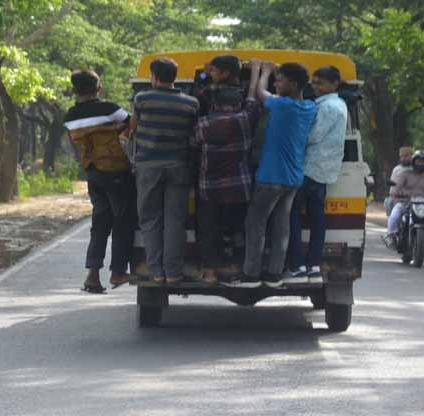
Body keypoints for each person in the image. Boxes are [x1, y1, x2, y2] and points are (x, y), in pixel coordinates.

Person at [225, 60, 317, 288]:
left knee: (255, 224)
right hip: (293, 178)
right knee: (281, 226)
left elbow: (259, 93)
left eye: (281, 80)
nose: (277, 83)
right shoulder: (309, 108)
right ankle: (274, 275)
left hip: (271, 177)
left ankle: (251, 275)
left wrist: (261, 71)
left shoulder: (283, 105)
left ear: (294, 85)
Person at [63, 69, 137, 293]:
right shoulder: (109, 109)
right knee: (123, 221)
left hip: (93, 173)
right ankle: (117, 271)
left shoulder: (70, 116)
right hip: (116, 170)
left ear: (74, 91)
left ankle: (93, 275)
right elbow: (131, 126)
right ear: (99, 89)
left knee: (100, 223)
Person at [130, 58, 200, 285]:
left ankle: (156, 272)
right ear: (175, 76)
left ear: (154, 76)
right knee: (175, 221)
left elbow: (133, 129)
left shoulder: (142, 99)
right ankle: (173, 272)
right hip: (178, 166)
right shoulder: (191, 104)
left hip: (148, 167)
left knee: (150, 219)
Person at [192, 62, 262, 284]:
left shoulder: (203, 123)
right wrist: (257, 73)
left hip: (209, 188)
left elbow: (193, 143)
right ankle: (236, 266)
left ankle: (211, 271)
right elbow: (252, 99)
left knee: (208, 229)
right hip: (238, 188)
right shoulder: (245, 120)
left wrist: (203, 77)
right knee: (238, 228)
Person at [286, 66, 348, 284]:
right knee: (317, 218)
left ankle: (297, 264)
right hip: (323, 172)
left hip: (309, 169)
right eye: (314, 82)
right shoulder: (338, 104)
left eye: (320, 83)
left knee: (291, 213)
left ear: (334, 84)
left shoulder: (328, 107)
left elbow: (312, 136)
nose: (315, 86)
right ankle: (312, 264)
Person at [383, 150, 424, 249]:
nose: (420, 164)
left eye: (423, 162)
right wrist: (394, 192)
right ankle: (391, 236)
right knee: (394, 215)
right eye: (418, 161)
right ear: (413, 162)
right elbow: (397, 184)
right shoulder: (405, 173)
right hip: (405, 202)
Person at [384, 146, 413, 216]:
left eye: (406, 156)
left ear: (412, 156)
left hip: (415, 200)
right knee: (388, 202)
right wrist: (393, 195)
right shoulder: (397, 169)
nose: (403, 158)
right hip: (399, 199)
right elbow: (392, 186)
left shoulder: (417, 169)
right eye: (401, 156)